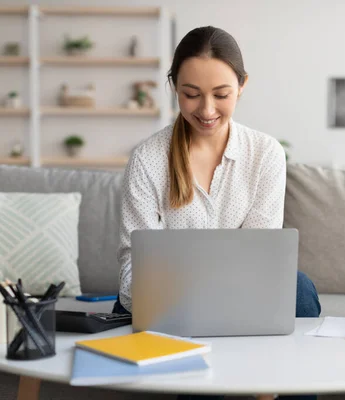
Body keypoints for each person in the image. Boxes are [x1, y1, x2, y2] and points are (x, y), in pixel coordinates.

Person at [113, 26, 320, 400]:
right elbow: (132, 268)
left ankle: (280, 381)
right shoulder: (148, 159)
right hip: (170, 304)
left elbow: (262, 256)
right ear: (175, 87)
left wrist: (222, 293)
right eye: (191, 95)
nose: (207, 111)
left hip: (242, 294)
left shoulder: (265, 153)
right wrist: (179, 296)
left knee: (299, 288)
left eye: (221, 95)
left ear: (242, 85)